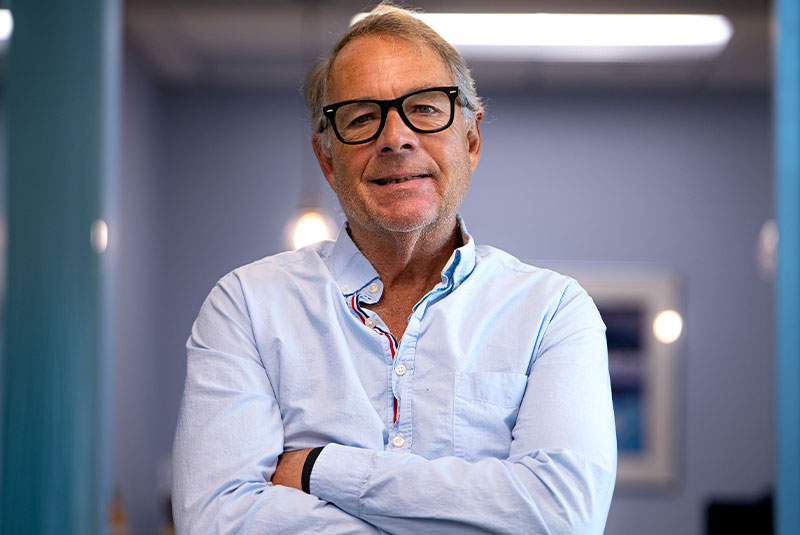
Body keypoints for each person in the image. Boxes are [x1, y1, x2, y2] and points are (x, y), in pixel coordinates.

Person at [172, 4, 616, 534]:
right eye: (360, 117)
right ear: (326, 160)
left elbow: (563, 517)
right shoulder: (246, 306)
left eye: (425, 109)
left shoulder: (554, 312)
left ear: (471, 140)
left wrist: (319, 468)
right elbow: (217, 521)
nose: (395, 138)